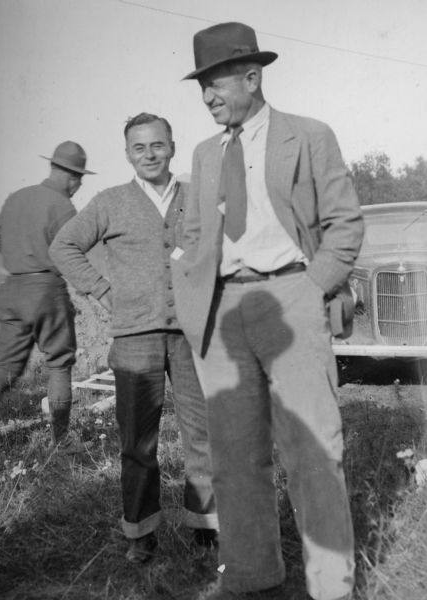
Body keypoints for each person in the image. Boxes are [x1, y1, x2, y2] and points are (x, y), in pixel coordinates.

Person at [171, 22, 364, 600]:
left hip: (290, 300)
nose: (207, 96)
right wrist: (186, 285)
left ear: (252, 78)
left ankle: (331, 588)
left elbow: (345, 223)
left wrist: (311, 290)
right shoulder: (206, 155)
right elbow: (196, 232)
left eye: (215, 83)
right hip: (220, 314)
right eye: (200, 86)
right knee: (233, 459)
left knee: (313, 451)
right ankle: (253, 578)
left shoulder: (307, 135)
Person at [49, 113, 218, 563]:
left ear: (172, 148)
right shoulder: (110, 201)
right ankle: (140, 534)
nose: (149, 154)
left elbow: (218, 249)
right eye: (139, 148)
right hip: (134, 339)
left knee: (201, 435)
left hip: (190, 336)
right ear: (127, 154)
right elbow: (62, 246)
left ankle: (206, 529)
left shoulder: (196, 198)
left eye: (157, 145)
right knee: (137, 443)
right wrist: (102, 290)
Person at [0, 141, 94, 453]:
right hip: (46, 290)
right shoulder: (63, 207)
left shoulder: (17, 197)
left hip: (12, 288)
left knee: (4, 366)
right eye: (79, 180)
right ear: (73, 177)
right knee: (60, 364)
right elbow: (71, 253)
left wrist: (19, 261)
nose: (78, 186)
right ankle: (61, 441)